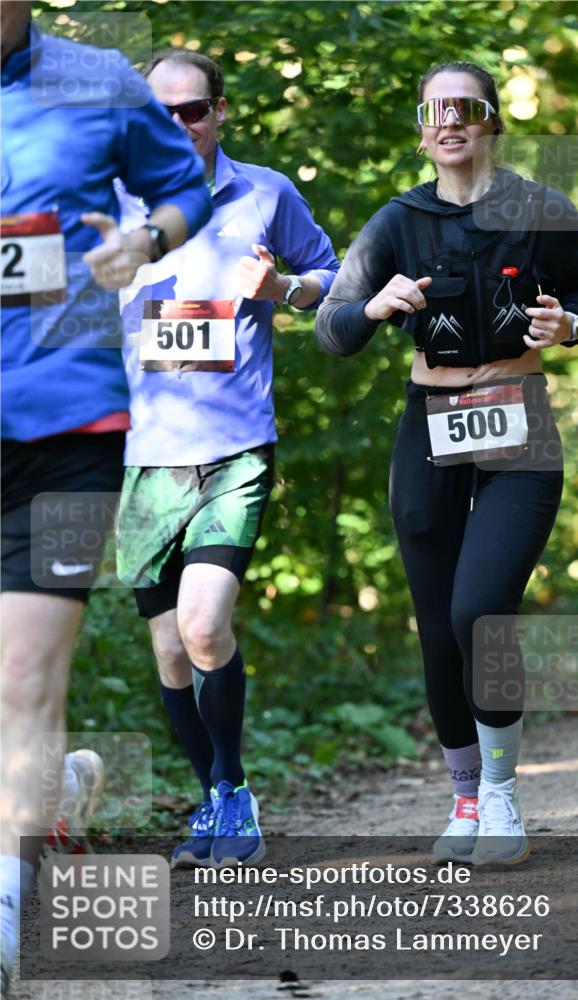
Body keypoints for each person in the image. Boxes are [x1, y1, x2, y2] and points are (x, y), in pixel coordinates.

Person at [316, 61, 578, 866]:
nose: (449, 123)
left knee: (480, 611)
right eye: (433, 111)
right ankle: (466, 798)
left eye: (465, 109)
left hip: (517, 421)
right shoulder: (394, 223)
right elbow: (332, 329)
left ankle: (506, 796)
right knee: (439, 628)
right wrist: (371, 307)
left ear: (490, 122)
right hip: (426, 423)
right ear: (420, 128)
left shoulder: (541, 208)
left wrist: (566, 325)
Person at [0, 5, 211, 993]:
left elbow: (179, 189)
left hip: (72, 434)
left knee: (22, 677)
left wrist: (143, 240)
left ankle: (2, 908)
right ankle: (65, 785)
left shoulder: (99, 79)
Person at [114, 49, 339, 870]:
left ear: (220, 112)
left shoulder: (265, 193)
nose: (180, 125)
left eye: (195, 110)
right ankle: (213, 796)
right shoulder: (106, 201)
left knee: (206, 628)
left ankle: (235, 793)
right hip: (142, 459)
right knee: (172, 651)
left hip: (235, 449)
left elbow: (337, 275)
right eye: (160, 112)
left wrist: (282, 292)